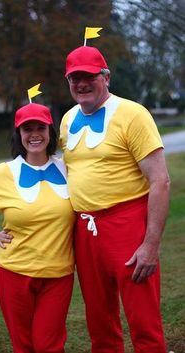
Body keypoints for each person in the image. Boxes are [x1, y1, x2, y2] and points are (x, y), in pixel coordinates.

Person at [59, 45, 170, 353]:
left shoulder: (133, 114)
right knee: (99, 320)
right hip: (85, 229)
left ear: (105, 77)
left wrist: (150, 245)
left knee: (143, 319)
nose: (81, 84)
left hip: (127, 223)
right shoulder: (67, 120)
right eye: (74, 78)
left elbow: (160, 180)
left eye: (89, 77)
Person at [0, 102, 75, 353]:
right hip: (14, 273)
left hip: (58, 274)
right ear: (18, 135)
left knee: (49, 345)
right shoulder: (4, 173)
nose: (34, 135)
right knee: (24, 346)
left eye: (40, 128)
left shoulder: (67, 168)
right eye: (27, 129)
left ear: (50, 132)